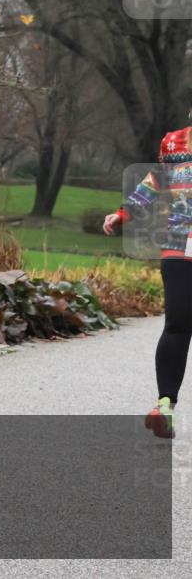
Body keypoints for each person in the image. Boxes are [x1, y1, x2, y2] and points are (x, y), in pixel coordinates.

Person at [103, 120, 192, 439]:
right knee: (178, 324)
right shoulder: (174, 143)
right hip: (180, 244)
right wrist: (123, 213)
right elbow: (154, 181)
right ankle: (164, 407)